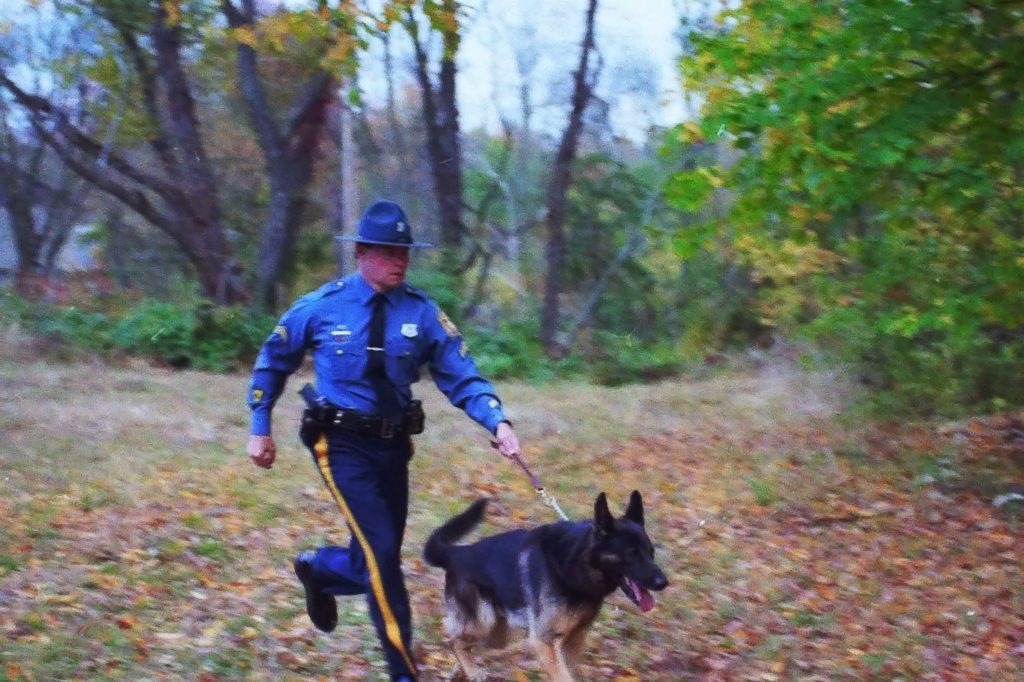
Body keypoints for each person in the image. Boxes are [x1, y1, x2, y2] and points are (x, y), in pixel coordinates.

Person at [245, 199, 522, 682]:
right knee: (382, 558)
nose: (400, 261)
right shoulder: (321, 307)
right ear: (362, 253)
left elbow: (461, 374)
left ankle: (322, 570)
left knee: (379, 555)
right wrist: (259, 424)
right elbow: (274, 359)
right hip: (340, 444)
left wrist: (497, 422)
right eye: (390, 252)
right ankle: (404, 673)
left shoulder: (422, 312)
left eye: (405, 252)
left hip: (393, 447)